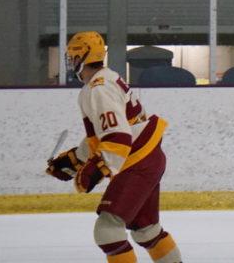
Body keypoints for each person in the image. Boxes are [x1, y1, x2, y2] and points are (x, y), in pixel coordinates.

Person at [45, 32, 182, 263]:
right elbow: (108, 134)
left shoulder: (99, 88)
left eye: (72, 56)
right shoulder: (106, 79)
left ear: (83, 57)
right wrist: (73, 161)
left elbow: (118, 137)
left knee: (107, 231)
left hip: (137, 162)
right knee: (146, 229)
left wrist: (94, 172)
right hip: (147, 157)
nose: (70, 61)